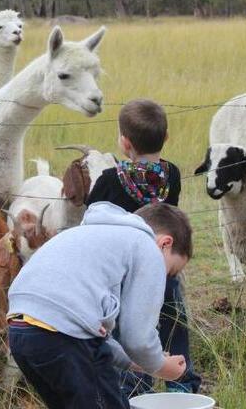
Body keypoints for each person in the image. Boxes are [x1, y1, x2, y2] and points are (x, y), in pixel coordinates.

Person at [7, 201, 193, 409]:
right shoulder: (146, 245)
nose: (164, 278)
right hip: (60, 334)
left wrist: (137, 362)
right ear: (165, 244)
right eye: (170, 271)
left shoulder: (91, 239)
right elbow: (138, 339)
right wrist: (159, 365)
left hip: (21, 330)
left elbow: (97, 337)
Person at [85, 98, 201, 396]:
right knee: (172, 323)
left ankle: (135, 389)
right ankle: (181, 384)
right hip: (165, 265)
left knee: (129, 329)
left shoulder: (111, 180)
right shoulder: (172, 174)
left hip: (125, 274)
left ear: (125, 143)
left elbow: (93, 215)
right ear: (166, 138)